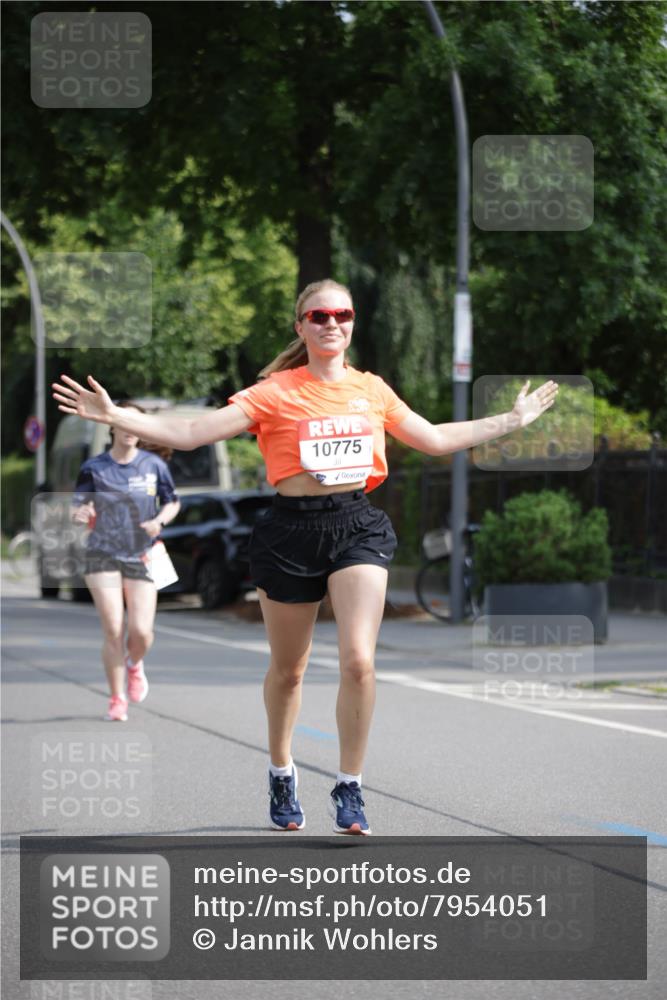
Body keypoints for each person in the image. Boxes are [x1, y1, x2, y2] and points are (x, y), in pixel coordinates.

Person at [53, 279, 558, 831]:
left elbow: (433, 438)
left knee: (359, 661)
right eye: (319, 316)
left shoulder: (372, 390)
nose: (331, 323)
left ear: (352, 323)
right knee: (289, 672)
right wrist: (118, 418)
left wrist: (511, 421)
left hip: (356, 525)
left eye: (342, 314)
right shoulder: (274, 391)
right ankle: (281, 769)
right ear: (301, 326)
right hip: (289, 533)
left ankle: (351, 788)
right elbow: (194, 432)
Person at [71, 401, 181, 722]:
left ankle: (135, 663)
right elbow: (79, 507)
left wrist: (160, 520)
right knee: (113, 628)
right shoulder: (95, 467)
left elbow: (173, 502)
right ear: (113, 426)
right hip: (102, 553)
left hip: (142, 553)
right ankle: (116, 698)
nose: (131, 431)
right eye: (125, 423)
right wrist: (81, 513)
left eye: (137, 425)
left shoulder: (153, 465)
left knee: (142, 631)